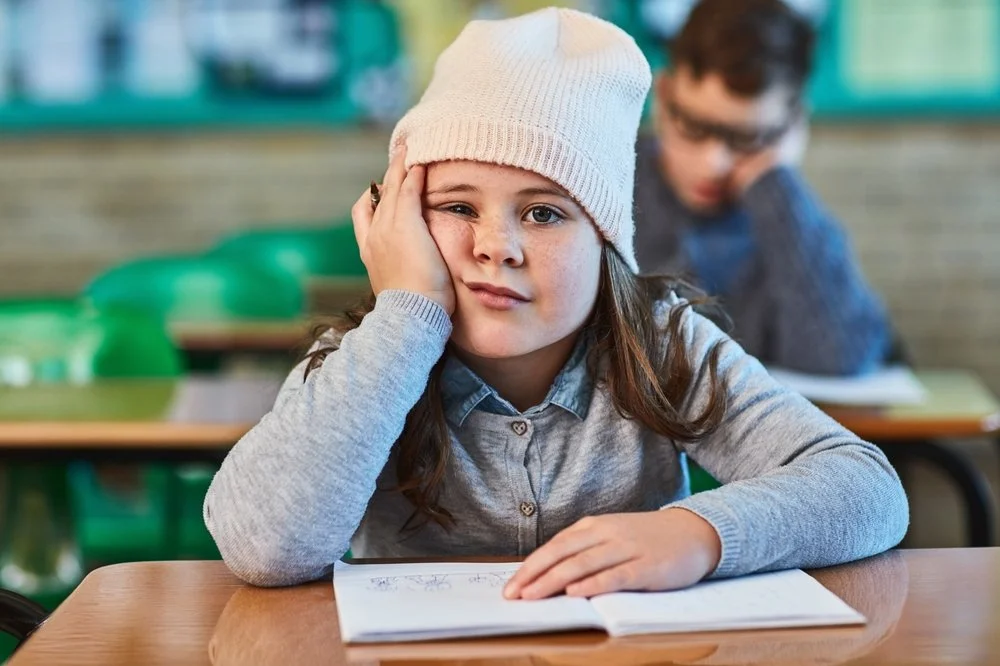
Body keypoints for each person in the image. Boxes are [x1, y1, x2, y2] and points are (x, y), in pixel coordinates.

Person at [204, 7, 907, 598]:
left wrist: (698, 533)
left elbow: (867, 488)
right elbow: (264, 547)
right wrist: (407, 314)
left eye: (543, 214)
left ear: (607, 242)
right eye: (455, 207)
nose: (497, 246)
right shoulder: (363, 361)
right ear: (397, 220)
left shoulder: (665, 346)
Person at [634, 0, 891, 376]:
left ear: (793, 125)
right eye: (695, 126)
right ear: (664, 96)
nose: (714, 163)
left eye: (748, 138)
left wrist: (775, 186)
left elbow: (840, 357)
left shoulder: (785, 215)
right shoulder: (604, 189)